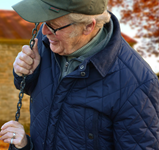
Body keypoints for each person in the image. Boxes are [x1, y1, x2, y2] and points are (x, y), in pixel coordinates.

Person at [12, 0, 159, 149]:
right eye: (43, 22)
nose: (44, 31)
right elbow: (36, 90)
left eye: (53, 26)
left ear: (88, 26)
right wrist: (26, 73)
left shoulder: (137, 85)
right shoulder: (49, 40)